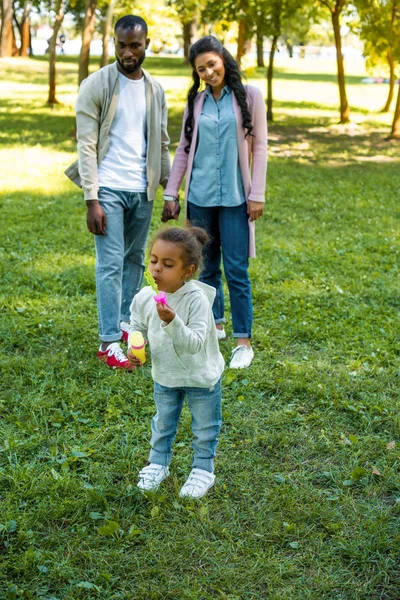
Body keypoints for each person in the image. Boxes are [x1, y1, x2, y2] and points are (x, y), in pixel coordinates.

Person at [65, 15, 171, 369]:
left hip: (141, 189)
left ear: (146, 45)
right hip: (107, 187)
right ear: (113, 44)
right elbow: (86, 145)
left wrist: (168, 189)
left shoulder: (155, 89)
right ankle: (108, 341)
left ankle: (126, 326)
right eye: (122, 45)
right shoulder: (95, 85)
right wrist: (91, 199)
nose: (128, 52)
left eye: (135, 45)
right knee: (110, 264)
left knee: (134, 259)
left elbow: (162, 142)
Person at [162, 36, 268, 370]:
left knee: (237, 269)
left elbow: (261, 147)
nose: (208, 72)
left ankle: (243, 342)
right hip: (200, 198)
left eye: (212, 64)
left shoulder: (250, 96)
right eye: (201, 69)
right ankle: (214, 324)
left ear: (223, 58)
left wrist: (257, 194)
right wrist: (171, 193)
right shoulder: (196, 102)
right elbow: (183, 149)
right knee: (205, 268)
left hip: (238, 198)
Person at [127, 227, 224, 499]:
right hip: (166, 375)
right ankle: (158, 464)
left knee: (204, 428)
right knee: (163, 424)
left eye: (168, 265)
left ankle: (203, 469)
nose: (157, 269)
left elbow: (194, 343)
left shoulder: (196, 300)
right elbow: (136, 324)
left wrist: (171, 321)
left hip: (200, 377)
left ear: (187, 271)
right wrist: (135, 344)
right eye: (154, 260)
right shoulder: (145, 297)